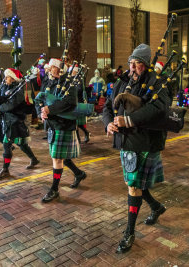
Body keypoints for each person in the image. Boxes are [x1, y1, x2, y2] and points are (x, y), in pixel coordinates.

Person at [102, 44, 170, 253]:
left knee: (133, 185)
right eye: (131, 63)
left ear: (146, 64)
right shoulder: (122, 82)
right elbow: (107, 106)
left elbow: (159, 108)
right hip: (124, 140)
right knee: (132, 182)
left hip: (144, 140)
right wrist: (108, 123)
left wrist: (129, 120)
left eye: (137, 64)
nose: (132, 67)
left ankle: (129, 232)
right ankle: (156, 207)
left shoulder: (157, 83)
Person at [38, 58, 87, 203]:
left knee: (56, 158)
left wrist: (50, 109)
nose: (49, 69)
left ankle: (54, 189)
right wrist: (42, 112)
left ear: (58, 68)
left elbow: (70, 102)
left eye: (52, 66)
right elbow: (41, 99)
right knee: (60, 156)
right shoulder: (48, 82)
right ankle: (79, 173)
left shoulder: (69, 82)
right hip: (52, 124)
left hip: (64, 124)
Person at [0, 68, 40, 180]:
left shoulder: (18, 91)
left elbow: (11, 105)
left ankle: (5, 170)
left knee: (6, 145)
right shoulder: (5, 87)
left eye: (8, 76)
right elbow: (2, 100)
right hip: (7, 119)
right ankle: (33, 159)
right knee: (22, 144)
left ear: (13, 78)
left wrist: (0, 108)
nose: (5, 78)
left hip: (15, 121)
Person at [73, 66, 90, 144]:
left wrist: (72, 90)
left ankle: (82, 136)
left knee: (77, 122)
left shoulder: (79, 79)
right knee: (75, 122)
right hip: (73, 103)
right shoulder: (71, 79)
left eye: (73, 71)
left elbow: (79, 90)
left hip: (79, 103)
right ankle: (81, 137)